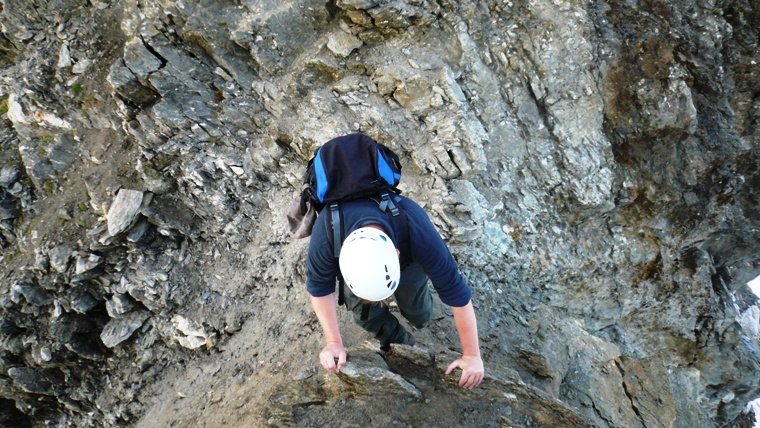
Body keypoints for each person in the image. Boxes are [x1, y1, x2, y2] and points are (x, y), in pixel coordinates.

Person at [306, 194, 485, 390]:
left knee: (417, 311)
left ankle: (419, 316)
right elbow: (319, 290)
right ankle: (399, 342)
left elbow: (457, 293)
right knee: (365, 315)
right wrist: (333, 341)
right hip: (360, 250)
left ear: (396, 254)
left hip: (410, 257)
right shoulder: (326, 233)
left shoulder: (418, 230)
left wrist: (472, 355)